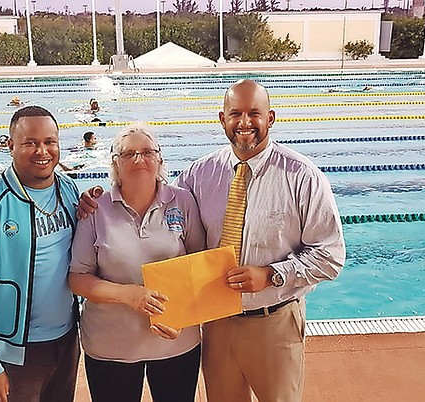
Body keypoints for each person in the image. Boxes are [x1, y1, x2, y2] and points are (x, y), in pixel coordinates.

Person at [79, 79, 346, 402]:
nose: (244, 123)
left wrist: (271, 274)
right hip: (216, 324)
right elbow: (154, 201)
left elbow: (330, 256)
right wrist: (97, 197)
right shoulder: (200, 174)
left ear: (270, 118)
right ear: (222, 119)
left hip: (271, 320)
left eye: (254, 114)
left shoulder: (302, 176)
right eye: (235, 114)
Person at [68, 125, 206, 402]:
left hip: (175, 342)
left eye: (147, 152)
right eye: (128, 154)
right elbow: (78, 278)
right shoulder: (96, 208)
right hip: (110, 347)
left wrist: (184, 318)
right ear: (115, 164)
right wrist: (127, 295)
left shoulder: (183, 201)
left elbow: (199, 267)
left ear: (159, 159)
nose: (139, 159)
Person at [0, 106, 82, 402]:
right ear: (11, 146)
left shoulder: (69, 190)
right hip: (15, 349)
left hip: (66, 340)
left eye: (50, 142)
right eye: (30, 143)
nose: (43, 151)